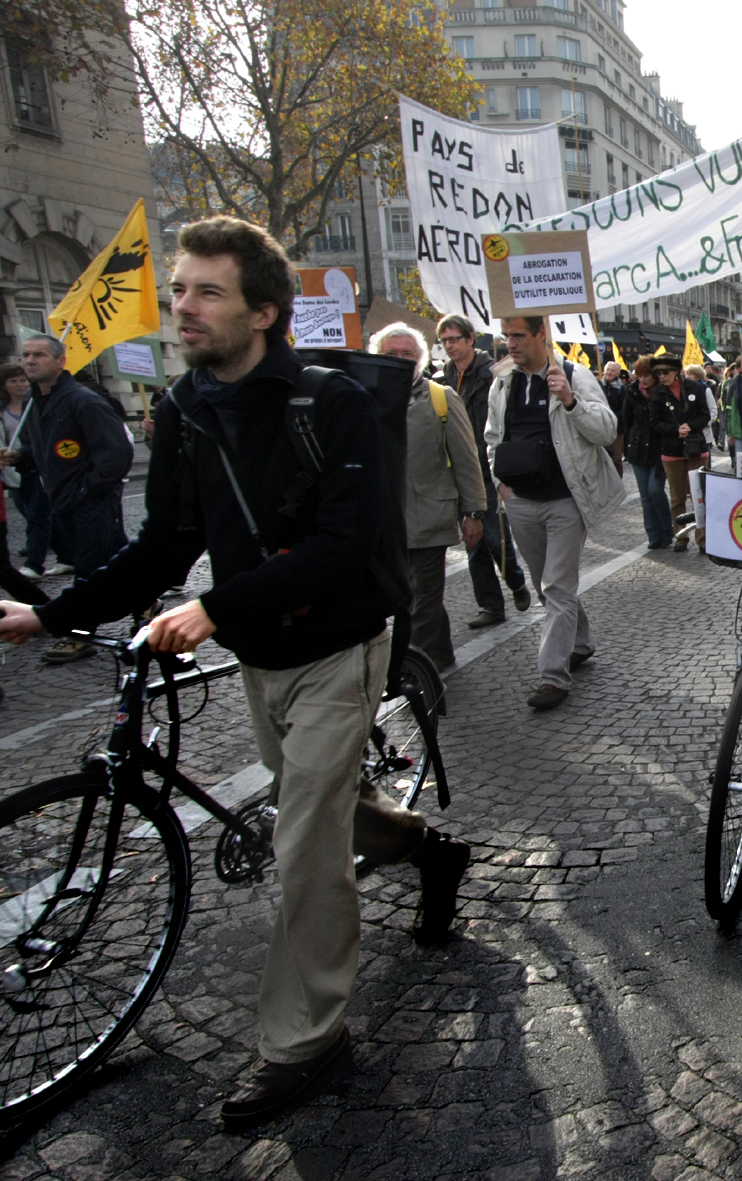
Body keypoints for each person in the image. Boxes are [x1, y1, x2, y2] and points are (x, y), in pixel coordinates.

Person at [0, 216, 474, 1127]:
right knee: (321, 805)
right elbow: (163, 542)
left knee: (303, 846)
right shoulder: (183, 408)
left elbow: (343, 544)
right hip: (261, 651)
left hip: (340, 645)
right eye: (179, 288)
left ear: (262, 312)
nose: (182, 306)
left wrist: (214, 608)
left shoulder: (330, 403)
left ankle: (306, 1040)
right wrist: (51, 613)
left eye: (206, 292)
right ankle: (429, 849)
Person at [484, 316, 621, 710]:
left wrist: (571, 401)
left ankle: (552, 677)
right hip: (520, 501)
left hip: (565, 501)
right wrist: (500, 485)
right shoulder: (503, 382)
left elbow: (607, 430)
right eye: (506, 336)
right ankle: (582, 641)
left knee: (557, 587)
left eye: (518, 335)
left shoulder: (574, 375)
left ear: (540, 335)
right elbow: (492, 438)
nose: (510, 343)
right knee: (547, 584)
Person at [371, 324, 485, 672]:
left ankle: (414, 670)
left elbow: (466, 459)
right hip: (386, 519)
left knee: (423, 596)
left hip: (430, 514)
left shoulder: (441, 397)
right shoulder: (364, 397)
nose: (400, 359)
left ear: (420, 359)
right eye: (392, 354)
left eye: (407, 354)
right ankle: (441, 651)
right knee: (410, 593)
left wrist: (474, 512)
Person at [13, 332, 132, 663]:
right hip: (61, 499)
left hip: (90, 501)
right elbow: (43, 451)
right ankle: (146, 602)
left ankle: (79, 635)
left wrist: (87, 489)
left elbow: (116, 454)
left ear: (60, 361)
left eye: (39, 355)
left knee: (88, 570)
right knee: (118, 560)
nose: (30, 361)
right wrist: (20, 457)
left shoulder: (84, 401)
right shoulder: (33, 403)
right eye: (26, 355)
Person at [436, 314, 531, 630]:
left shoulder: (492, 373)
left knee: (493, 537)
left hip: (486, 466)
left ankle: (515, 580)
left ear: (470, 339)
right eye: (445, 341)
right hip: (458, 469)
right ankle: (490, 605)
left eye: (454, 339)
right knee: (472, 539)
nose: (450, 346)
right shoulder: (442, 377)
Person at [2, 361, 60, 580]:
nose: (19, 384)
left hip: (36, 465)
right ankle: (67, 556)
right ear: (4, 385)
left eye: (23, 380)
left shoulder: (35, 404)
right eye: (13, 381)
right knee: (35, 514)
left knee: (37, 515)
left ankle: (34, 564)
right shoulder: (2, 409)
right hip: (13, 469)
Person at [650, 355, 709, 552]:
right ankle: (681, 536)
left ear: (676, 372)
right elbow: (654, 422)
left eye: (665, 372)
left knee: (699, 496)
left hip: (696, 449)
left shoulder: (695, 388)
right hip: (671, 451)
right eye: (658, 373)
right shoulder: (658, 392)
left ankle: (703, 538)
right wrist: (675, 430)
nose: (662, 376)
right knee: (677, 498)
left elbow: (705, 414)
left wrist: (690, 426)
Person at [622, 357, 672, 549]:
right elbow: (627, 421)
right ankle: (653, 535)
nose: (642, 379)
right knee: (645, 495)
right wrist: (628, 446)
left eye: (646, 375)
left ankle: (666, 531)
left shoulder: (663, 393)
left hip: (659, 449)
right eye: (640, 375)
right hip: (638, 449)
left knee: (655, 490)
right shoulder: (632, 392)